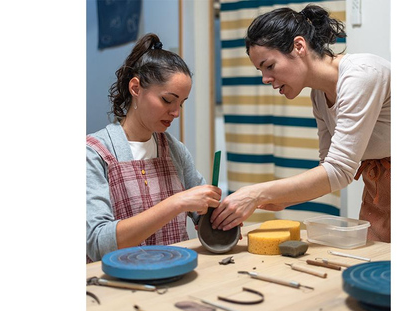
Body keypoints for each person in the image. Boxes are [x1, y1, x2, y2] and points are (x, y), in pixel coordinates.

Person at [211, 5, 390, 242]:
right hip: (381, 188)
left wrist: (255, 193)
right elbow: (328, 166)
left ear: (299, 46)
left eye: (269, 66)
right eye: (260, 70)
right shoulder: (319, 94)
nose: (265, 79)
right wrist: (282, 198)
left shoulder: (361, 75)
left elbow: (339, 171)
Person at [86, 33, 222, 262]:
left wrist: (221, 215)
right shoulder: (95, 153)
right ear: (136, 88)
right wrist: (176, 202)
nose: (176, 112)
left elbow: (205, 217)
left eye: (181, 103)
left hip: (176, 276)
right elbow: (98, 243)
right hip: (117, 288)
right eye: (168, 100)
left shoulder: (174, 150)